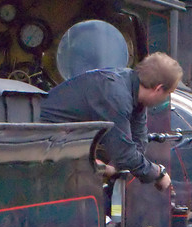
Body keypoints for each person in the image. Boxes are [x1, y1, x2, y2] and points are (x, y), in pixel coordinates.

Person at [40, 52, 182, 191]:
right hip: (43, 146)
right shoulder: (115, 95)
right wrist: (158, 173)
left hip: (65, 146)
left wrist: (125, 166)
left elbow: (138, 141)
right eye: (167, 94)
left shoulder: (132, 91)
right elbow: (124, 155)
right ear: (158, 89)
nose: (165, 99)